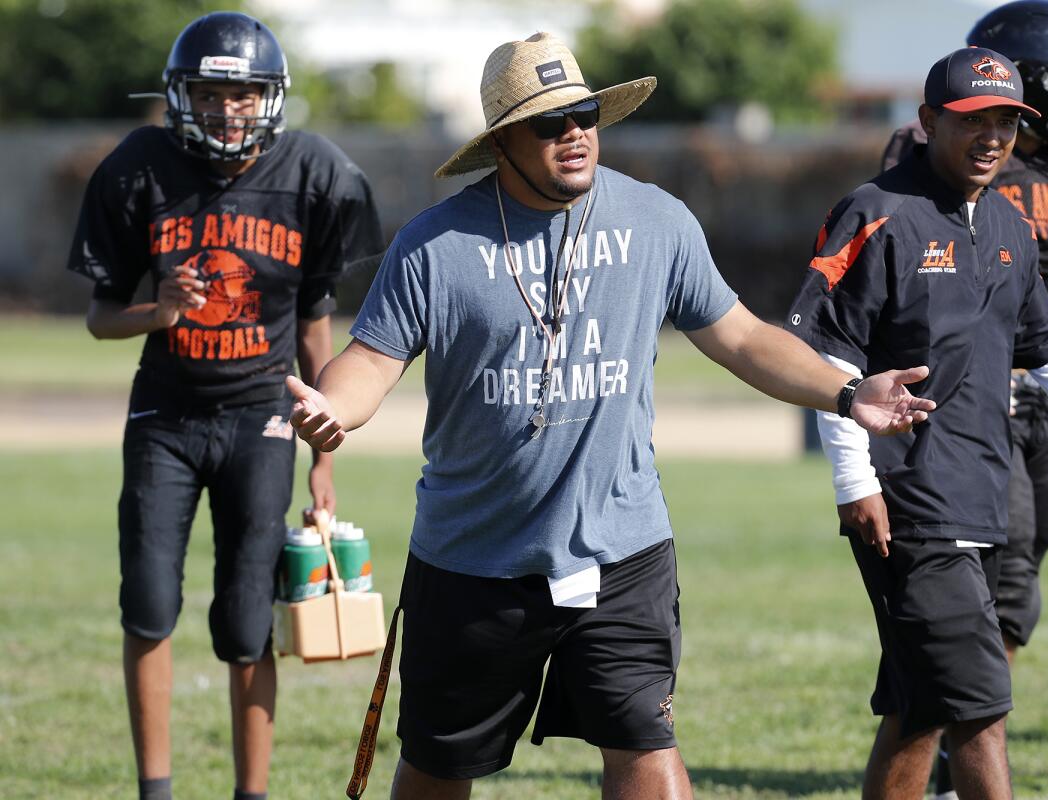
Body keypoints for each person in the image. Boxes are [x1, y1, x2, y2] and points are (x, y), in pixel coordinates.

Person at [285, 32, 934, 800]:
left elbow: (744, 337)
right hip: (472, 563)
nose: (575, 134)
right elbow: (370, 360)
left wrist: (845, 393)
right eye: (549, 123)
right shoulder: (436, 245)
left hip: (623, 551)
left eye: (584, 113)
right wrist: (334, 406)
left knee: (647, 751)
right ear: (502, 143)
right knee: (437, 770)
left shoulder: (656, 221)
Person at [789, 46, 1048, 800]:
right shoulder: (875, 213)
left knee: (920, 707)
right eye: (974, 120)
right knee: (981, 710)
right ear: (929, 121)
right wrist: (853, 480)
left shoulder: (1006, 220)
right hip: (909, 504)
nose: (993, 135)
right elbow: (827, 358)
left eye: (1006, 120)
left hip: (982, 494)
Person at [65, 12, 384, 800]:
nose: (227, 109)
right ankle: (156, 790)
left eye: (243, 94)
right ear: (182, 97)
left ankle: (252, 794)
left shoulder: (316, 173)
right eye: (211, 93)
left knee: (247, 624)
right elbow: (103, 317)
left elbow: (316, 327)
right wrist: (161, 310)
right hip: (165, 417)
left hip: (260, 417)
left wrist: (326, 458)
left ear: (270, 99)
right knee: (148, 604)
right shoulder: (141, 166)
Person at [881, 5, 1048, 793]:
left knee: (1016, 597)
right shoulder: (948, 161)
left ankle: (955, 737)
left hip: (1035, 399)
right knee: (993, 587)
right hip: (966, 408)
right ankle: (964, 742)